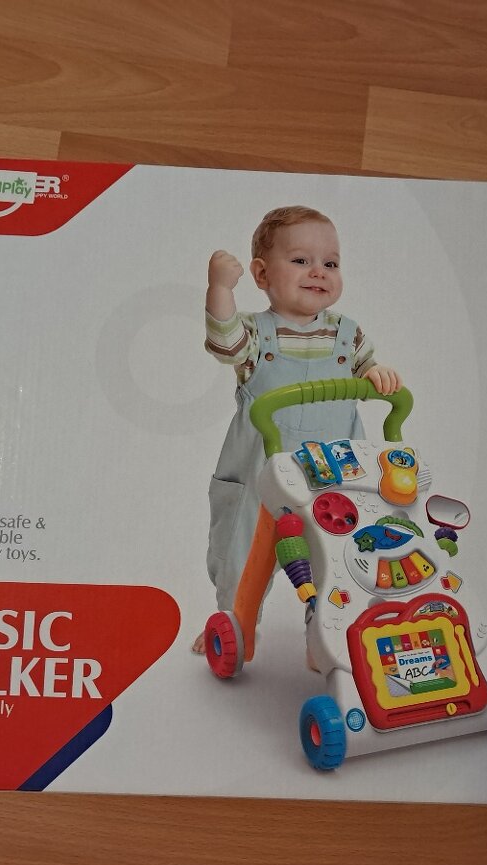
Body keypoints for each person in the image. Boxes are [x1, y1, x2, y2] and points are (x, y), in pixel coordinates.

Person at [193, 206, 401, 653]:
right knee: (241, 552)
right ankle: (235, 623)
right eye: (301, 260)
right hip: (261, 474)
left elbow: (367, 369)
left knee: (346, 553)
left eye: (331, 263)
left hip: (338, 475)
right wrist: (220, 289)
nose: (318, 272)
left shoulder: (347, 335)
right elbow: (225, 344)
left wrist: (378, 374)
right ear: (262, 274)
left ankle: (335, 627)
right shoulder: (256, 333)